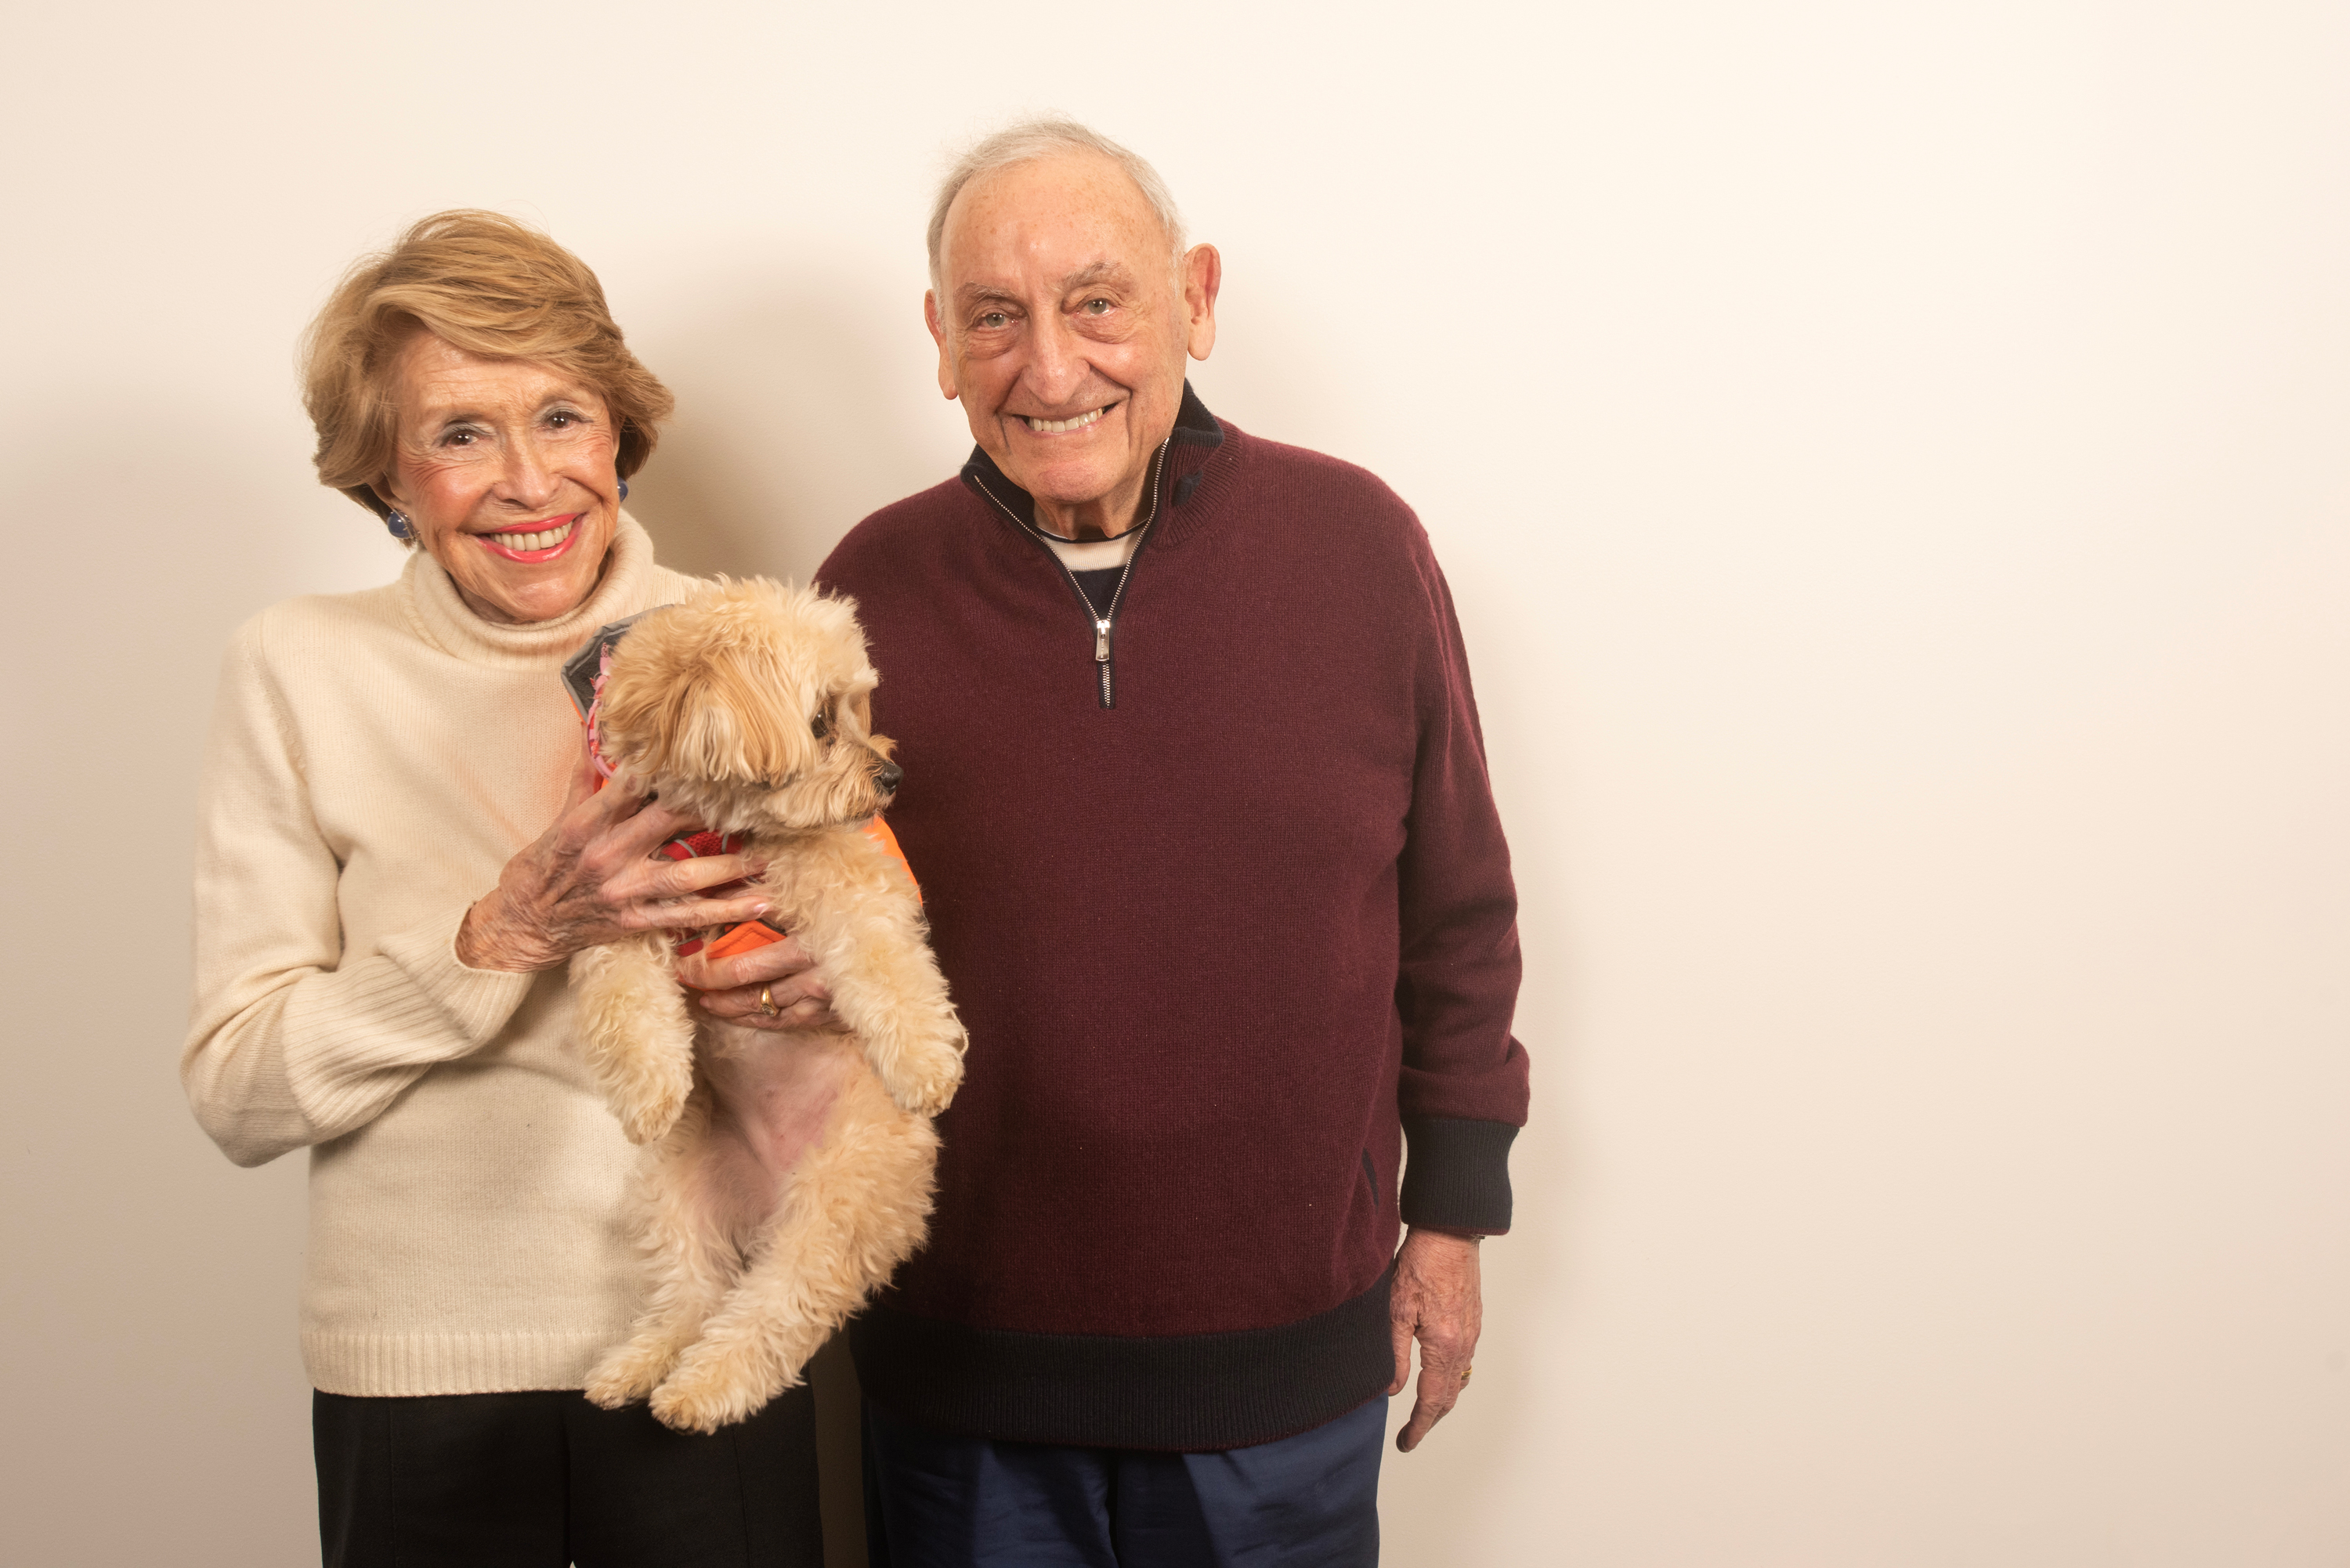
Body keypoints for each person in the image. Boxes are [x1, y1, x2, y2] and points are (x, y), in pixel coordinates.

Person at [819, 121, 1531, 1565]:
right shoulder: (860, 591)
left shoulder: (1358, 545)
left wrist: (1451, 1218)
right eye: (995, 318)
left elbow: (1459, 908)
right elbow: (804, 935)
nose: (1050, 364)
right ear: (942, 346)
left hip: (1279, 1372)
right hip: (963, 1371)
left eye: (1098, 300)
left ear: (1195, 299)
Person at [182, 210, 836, 1566]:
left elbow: (881, 990)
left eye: (561, 416)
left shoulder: (753, 644)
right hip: (418, 1373)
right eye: (460, 433)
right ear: (387, 475)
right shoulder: (297, 667)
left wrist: (831, 992)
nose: (529, 481)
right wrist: (503, 933)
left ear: (619, 435)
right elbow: (237, 1089)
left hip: (710, 1337)